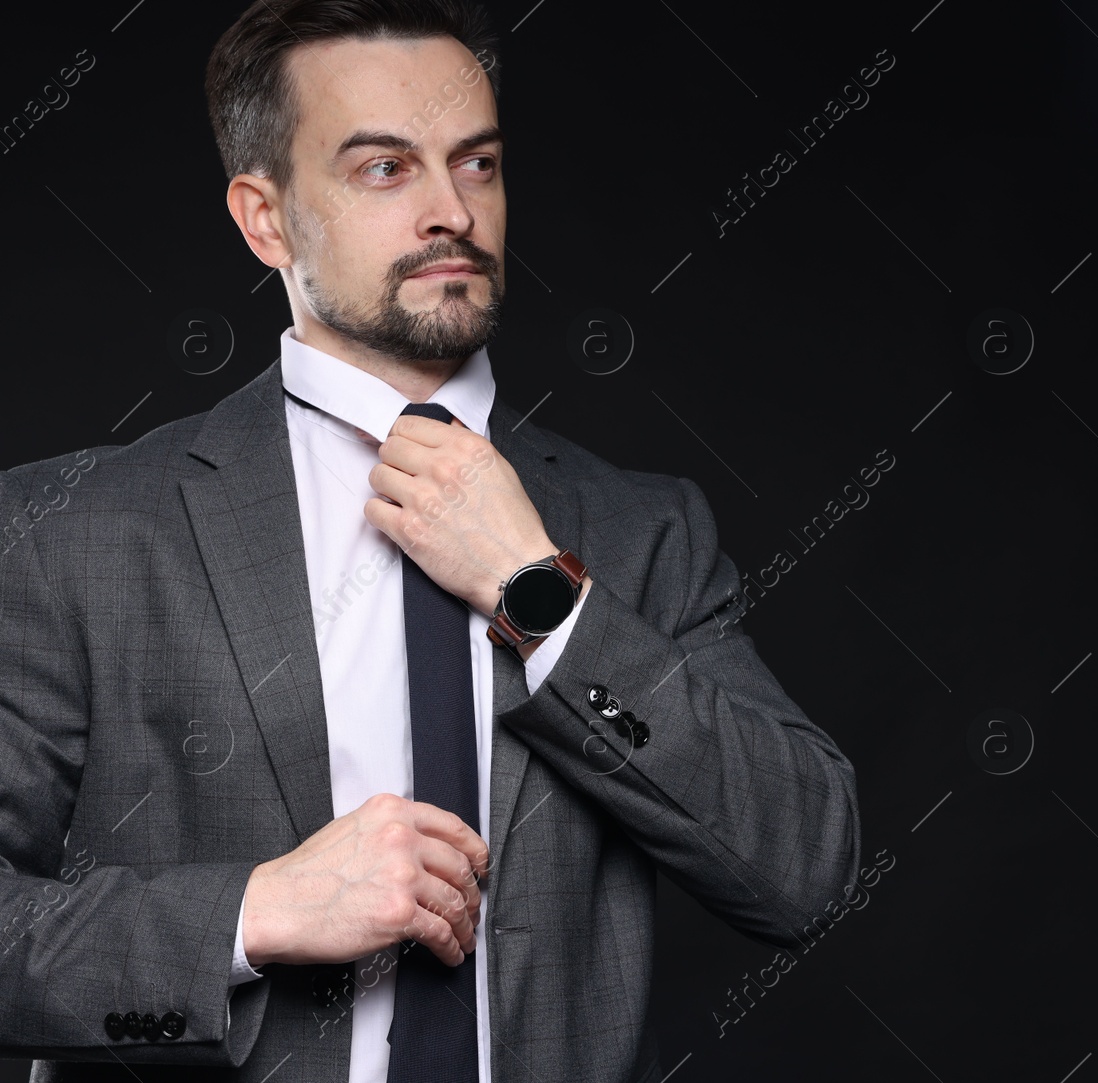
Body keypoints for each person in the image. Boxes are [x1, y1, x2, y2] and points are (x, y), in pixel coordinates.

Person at [0, 1, 861, 1080]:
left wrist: (536, 592)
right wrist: (252, 911)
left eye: (478, 164)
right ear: (265, 220)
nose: (451, 211)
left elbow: (803, 870)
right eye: (384, 169)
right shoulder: (71, 534)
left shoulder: (641, 529)